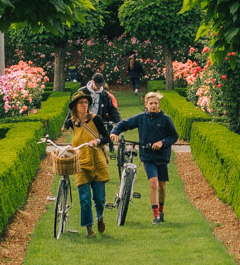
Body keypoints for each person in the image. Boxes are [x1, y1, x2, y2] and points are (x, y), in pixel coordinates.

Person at [112, 92, 180, 224]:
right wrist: (115, 132)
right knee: (153, 182)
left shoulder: (165, 119)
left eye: (156, 103)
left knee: (162, 186)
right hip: (147, 157)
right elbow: (125, 123)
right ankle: (155, 216)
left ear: (159, 104)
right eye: (151, 103)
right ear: (146, 104)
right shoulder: (141, 118)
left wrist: (162, 143)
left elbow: (174, 136)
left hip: (162, 157)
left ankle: (161, 211)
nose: (153, 106)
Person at [62, 92, 114, 236]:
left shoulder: (95, 119)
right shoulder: (73, 121)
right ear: (75, 107)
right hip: (80, 161)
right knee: (84, 200)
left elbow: (107, 138)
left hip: (97, 160)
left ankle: (100, 217)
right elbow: (65, 126)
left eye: (86, 102)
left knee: (99, 198)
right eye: (81, 103)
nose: (84, 105)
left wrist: (97, 141)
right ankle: (89, 229)